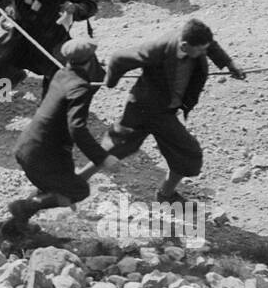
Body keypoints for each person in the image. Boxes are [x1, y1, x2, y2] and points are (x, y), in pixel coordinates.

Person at [85, 18, 245, 203]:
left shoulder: (194, 40)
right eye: (201, 50)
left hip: (163, 112)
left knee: (187, 155)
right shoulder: (157, 50)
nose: (204, 53)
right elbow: (119, 58)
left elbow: (210, 45)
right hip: (142, 109)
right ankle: (74, 184)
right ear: (184, 46)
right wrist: (111, 82)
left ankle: (165, 195)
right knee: (115, 148)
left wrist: (229, 63)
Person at [3, 39, 117, 237]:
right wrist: (103, 158)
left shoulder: (60, 73)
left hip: (27, 147)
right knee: (79, 190)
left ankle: (15, 228)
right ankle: (24, 207)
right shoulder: (79, 87)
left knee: (56, 189)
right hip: (43, 155)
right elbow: (77, 128)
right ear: (91, 61)